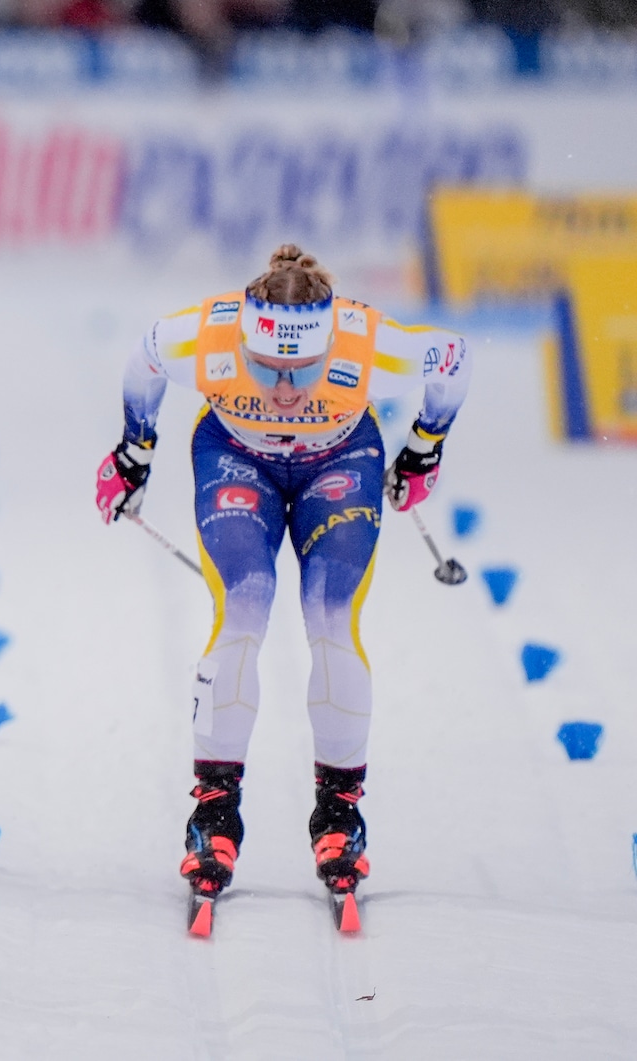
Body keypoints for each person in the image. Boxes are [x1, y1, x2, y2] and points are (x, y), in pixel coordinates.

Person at [95, 244, 471, 933]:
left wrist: (426, 444)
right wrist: (134, 451)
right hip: (236, 456)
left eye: (304, 368)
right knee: (245, 606)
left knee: (329, 617)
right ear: (244, 340)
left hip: (341, 459)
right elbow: (145, 358)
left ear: (332, 344)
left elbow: (451, 357)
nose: (287, 386)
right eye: (266, 367)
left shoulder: (366, 341)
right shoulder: (206, 335)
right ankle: (213, 808)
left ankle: (339, 810)